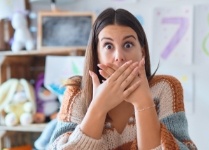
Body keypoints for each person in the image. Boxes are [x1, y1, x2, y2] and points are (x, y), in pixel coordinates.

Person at [49, 8, 197, 150]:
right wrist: (98, 107)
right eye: (108, 46)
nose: (119, 56)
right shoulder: (77, 93)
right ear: (96, 54)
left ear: (142, 52)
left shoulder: (165, 88)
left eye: (128, 44)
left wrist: (143, 103)